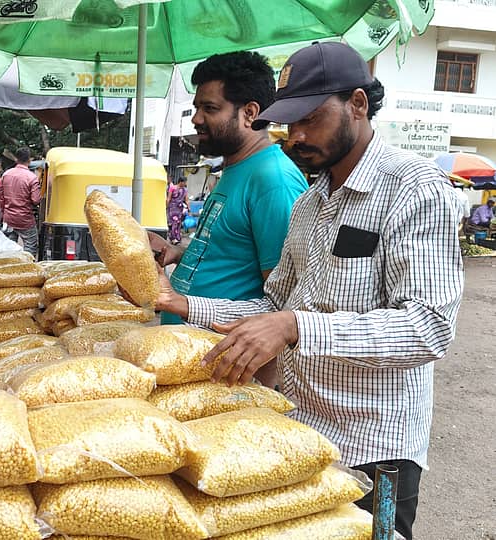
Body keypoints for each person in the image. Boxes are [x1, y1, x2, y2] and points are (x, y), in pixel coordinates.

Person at [153, 42, 463, 540]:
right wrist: (183, 304)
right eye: (290, 122)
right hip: (298, 434)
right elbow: (273, 305)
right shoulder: (310, 202)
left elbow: (428, 329)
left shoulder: (414, 188)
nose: (296, 136)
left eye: (311, 120)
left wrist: (297, 325)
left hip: (374, 446)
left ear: (357, 105)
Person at [151, 51, 308, 340]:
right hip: (185, 352)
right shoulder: (235, 170)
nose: (196, 119)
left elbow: (282, 303)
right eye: (197, 107)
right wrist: (177, 252)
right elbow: (234, 252)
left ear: (249, 113)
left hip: (224, 367)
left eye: (209, 108)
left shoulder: (274, 180)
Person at [0, 147, 41, 256]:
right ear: (29, 160)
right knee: (30, 245)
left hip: (8, 218)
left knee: (9, 246)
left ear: (16, 159)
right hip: (24, 219)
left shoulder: (6, 174)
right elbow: (36, 200)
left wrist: (3, 213)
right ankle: (25, 268)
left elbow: (1, 198)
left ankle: (8, 267)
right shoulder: (32, 178)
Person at [166, 176, 189, 244]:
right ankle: (173, 238)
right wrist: (167, 206)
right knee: (172, 223)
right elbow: (169, 198)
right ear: (181, 182)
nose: (185, 183)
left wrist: (188, 208)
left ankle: (177, 237)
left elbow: (186, 199)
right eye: (184, 182)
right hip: (172, 208)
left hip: (179, 209)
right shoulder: (172, 188)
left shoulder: (185, 190)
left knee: (178, 223)